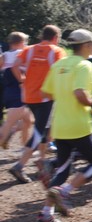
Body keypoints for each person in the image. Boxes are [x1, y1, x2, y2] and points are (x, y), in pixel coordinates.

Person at [33, 29, 92, 222]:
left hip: (60, 125)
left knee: (64, 168)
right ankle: (65, 191)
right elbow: (79, 93)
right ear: (86, 46)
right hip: (80, 125)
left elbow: (45, 92)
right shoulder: (84, 65)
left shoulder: (58, 64)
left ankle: (45, 214)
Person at [9, 25, 66, 183]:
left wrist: (22, 79)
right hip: (46, 96)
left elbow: (14, 65)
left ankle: (41, 161)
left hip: (29, 95)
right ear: (56, 38)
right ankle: (19, 166)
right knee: (40, 131)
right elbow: (62, 72)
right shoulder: (56, 51)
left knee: (43, 128)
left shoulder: (29, 50)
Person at [0, 32, 32, 149]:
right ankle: (8, 135)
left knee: (28, 121)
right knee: (8, 124)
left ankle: (25, 147)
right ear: (22, 42)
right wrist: (22, 80)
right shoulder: (22, 53)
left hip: (8, 92)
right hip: (19, 91)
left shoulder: (4, 55)